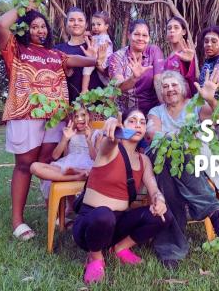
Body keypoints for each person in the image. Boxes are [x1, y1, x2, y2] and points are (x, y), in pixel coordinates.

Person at [0, 3, 100, 240]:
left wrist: (94, 59)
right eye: (34, 26)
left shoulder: (55, 54)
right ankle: (17, 222)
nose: (40, 30)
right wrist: (23, 6)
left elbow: (78, 61)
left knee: (48, 163)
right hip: (25, 115)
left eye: (43, 26)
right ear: (25, 29)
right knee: (24, 166)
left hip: (54, 119)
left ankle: (55, 211)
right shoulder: (16, 49)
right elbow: (1, 24)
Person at [146, 70, 219, 269]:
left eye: (174, 85)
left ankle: (171, 248)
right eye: (165, 86)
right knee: (169, 152)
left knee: (169, 171)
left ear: (182, 87)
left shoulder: (195, 105)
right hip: (166, 157)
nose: (170, 89)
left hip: (194, 164)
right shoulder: (155, 111)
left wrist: (211, 99)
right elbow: (153, 133)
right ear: (161, 92)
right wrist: (181, 140)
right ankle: (213, 210)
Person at [72, 108, 172, 284]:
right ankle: (95, 257)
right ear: (122, 125)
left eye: (142, 122)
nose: (138, 125)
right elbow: (108, 144)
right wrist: (111, 129)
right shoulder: (111, 149)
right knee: (104, 215)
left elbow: (153, 188)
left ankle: (119, 248)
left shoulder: (144, 160)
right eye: (132, 121)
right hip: (91, 222)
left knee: (164, 216)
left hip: (117, 224)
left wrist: (159, 200)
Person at [30, 106, 95, 211]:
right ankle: (77, 176)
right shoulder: (69, 133)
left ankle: (79, 173)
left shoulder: (96, 133)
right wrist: (65, 139)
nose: (79, 119)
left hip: (88, 167)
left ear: (90, 116)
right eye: (76, 116)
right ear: (72, 119)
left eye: (83, 115)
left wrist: (89, 141)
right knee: (34, 167)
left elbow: (96, 159)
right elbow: (55, 156)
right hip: (68, 166)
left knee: (91, 170)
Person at [108, 19, 164, 115]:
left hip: (152, 111)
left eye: (145, 35)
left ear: (149, 38)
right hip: (126, 113)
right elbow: (118, 87)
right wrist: (133, 78)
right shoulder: (117, 57)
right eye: (137, 34)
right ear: (129, 35)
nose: (141, 38)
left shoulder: (153, 51)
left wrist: (165, 108)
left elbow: (158, 81)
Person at [55, 7, 107, 104]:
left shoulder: (96, 44)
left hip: (95, 105)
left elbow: (108, 75)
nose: (76, 23)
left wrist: (96, 61)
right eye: (71, 20)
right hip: (68, 106)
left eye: (80, 20)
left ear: (86, 24)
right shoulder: (57, 50)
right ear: (65, 24)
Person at [81, 11, 114, 93]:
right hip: (96, 59)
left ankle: (84, 89)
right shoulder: (96, 36)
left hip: (105, 62)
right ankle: (84, 90)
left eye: (98, 24)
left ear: (106, 26)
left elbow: (104, 47)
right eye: (93, 24)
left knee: (107, 81)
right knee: (87, 70)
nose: (95, 27)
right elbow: (86, 34)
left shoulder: (105, 38)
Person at [164, 17, 196, 97]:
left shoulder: (186, 54)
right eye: (169, 28)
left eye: (176, 27)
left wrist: (189, 62)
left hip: (185, 102)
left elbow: (191, 76)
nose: (172, 30)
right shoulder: (168, 58)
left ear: (184, 32)